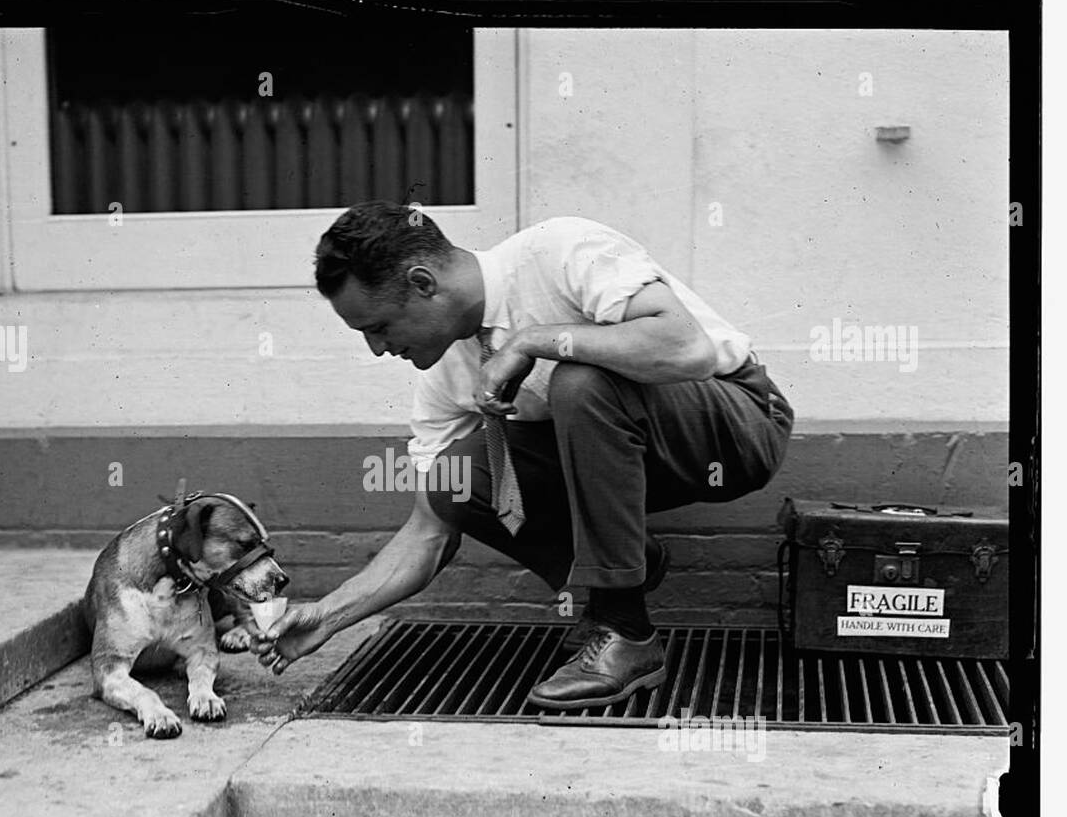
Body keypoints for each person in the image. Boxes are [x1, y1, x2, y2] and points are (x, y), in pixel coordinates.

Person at [253, 201, 793, 708]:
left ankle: (626, 629)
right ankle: (630, 571)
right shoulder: (446, 370)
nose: (377, 348)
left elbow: (688, 349)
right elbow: (429, 530)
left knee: (580, 383)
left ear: (422, 283)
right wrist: (327, 616)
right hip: (632, 456)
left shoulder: (557, 251)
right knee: (451, 482)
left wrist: (533, 340)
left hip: (737, 424)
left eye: (379, 327)